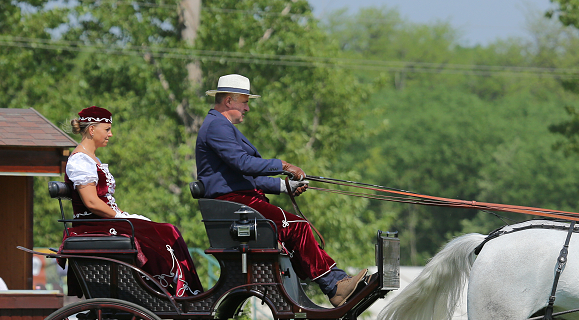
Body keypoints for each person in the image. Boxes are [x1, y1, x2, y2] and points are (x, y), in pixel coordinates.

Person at [195, 74, 366, 307]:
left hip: (241, 200)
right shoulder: (217, 126)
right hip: (234, 204)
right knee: (298, 227)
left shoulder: (221, 126)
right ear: (229, 101)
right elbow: (243, 164)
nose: (247, 108)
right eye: (244, 102)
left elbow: (245, 177)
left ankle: (334, 283)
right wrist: (283, 166)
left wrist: (284, 185)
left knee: (296, 228)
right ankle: (335, 287)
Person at [63, 106, 203, 297]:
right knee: (164, 231)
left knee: (168, 230)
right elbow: (92, 203)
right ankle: (167, 290)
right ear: (92, 129)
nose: (110, 134)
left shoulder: (91, 159)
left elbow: (105, 200)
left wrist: (122, 214)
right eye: (107, 129)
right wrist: (120, 217)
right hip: (93, 224)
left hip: (105, 220)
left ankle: (180, 291)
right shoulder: (80, 161)